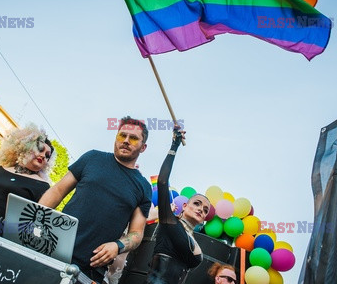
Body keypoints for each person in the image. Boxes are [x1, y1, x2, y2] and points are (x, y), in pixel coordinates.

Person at [39, 116, 152, 282]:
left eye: (134, 138)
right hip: (52, 249)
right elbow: (57, 191)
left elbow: (136, 233)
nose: (126, 141)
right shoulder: (92, 158)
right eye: (122, 135)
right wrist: (33, 219)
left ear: (143, 147)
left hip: (91, 269)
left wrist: (118, 245)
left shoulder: (143, 187)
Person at [144, 127, 211, 284]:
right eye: (197, 204)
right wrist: (175, 146)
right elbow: (162, 181)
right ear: (185, 206)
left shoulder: (191, 237)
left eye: (205, 210)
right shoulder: (169, 222)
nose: (201, 209)